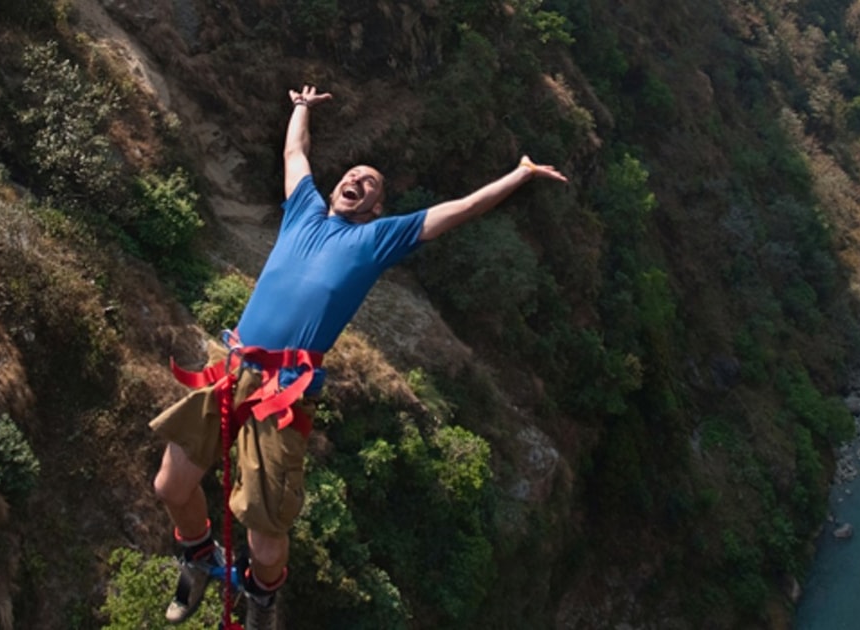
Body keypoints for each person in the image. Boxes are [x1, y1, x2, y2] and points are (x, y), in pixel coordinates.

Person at [149, 85, 567, 630]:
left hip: (282, 394)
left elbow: (458, 210)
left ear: (376, 207)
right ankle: (199, 558)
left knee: (266, 540)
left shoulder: (376, 242)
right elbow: (294, 155)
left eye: (369, 183)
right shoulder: (302, 210)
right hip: (232, 369)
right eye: (353, 174)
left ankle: (262, 599)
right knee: (170, 486)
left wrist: (521, 174)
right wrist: (300, 107)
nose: (356, 180)